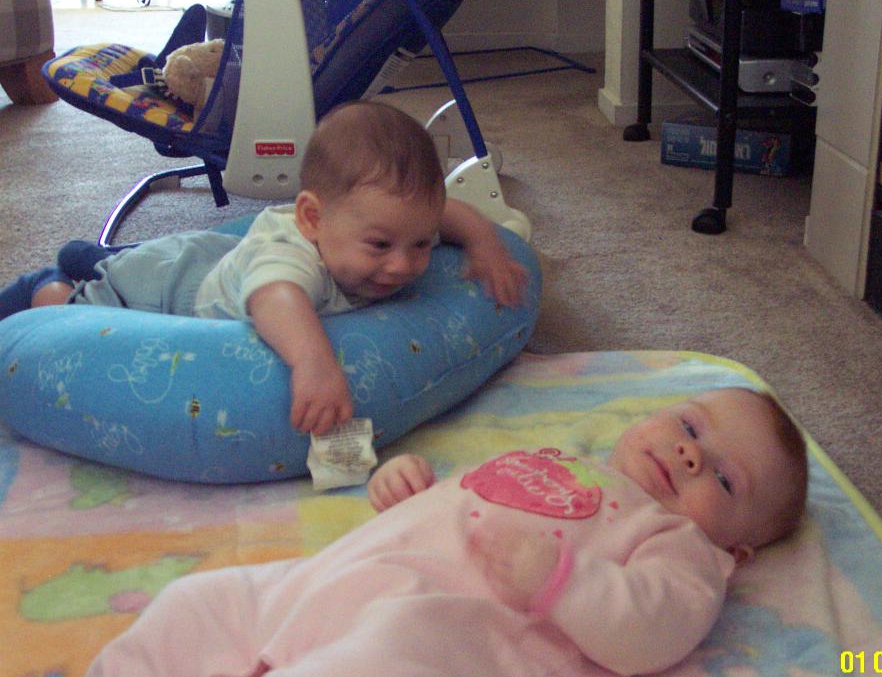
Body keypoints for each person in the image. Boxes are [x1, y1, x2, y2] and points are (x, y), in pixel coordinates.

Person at [73, 387, 808, 677]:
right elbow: (466, 502)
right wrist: (407, 488)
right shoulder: (561, 457)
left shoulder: (683, 546)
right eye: (689, 425)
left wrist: (564, 580)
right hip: (327, 581)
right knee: (194, 607)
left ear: (737, 551)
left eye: (725, 479)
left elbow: (655, 626)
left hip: (436, 635)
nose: (689, 454)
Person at [0, 100, 528, 435]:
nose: (404, 263)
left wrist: (485, 246)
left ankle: (88, 256)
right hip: (165, 288)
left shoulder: (390, 221)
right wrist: (314, 363)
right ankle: (52, 280)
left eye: (420, 244)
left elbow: (449, 212)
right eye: (381, 245)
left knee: (148, 256)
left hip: (212, 256)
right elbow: (276, 296)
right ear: (312, 219)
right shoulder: (291, 260)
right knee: (75, 305)